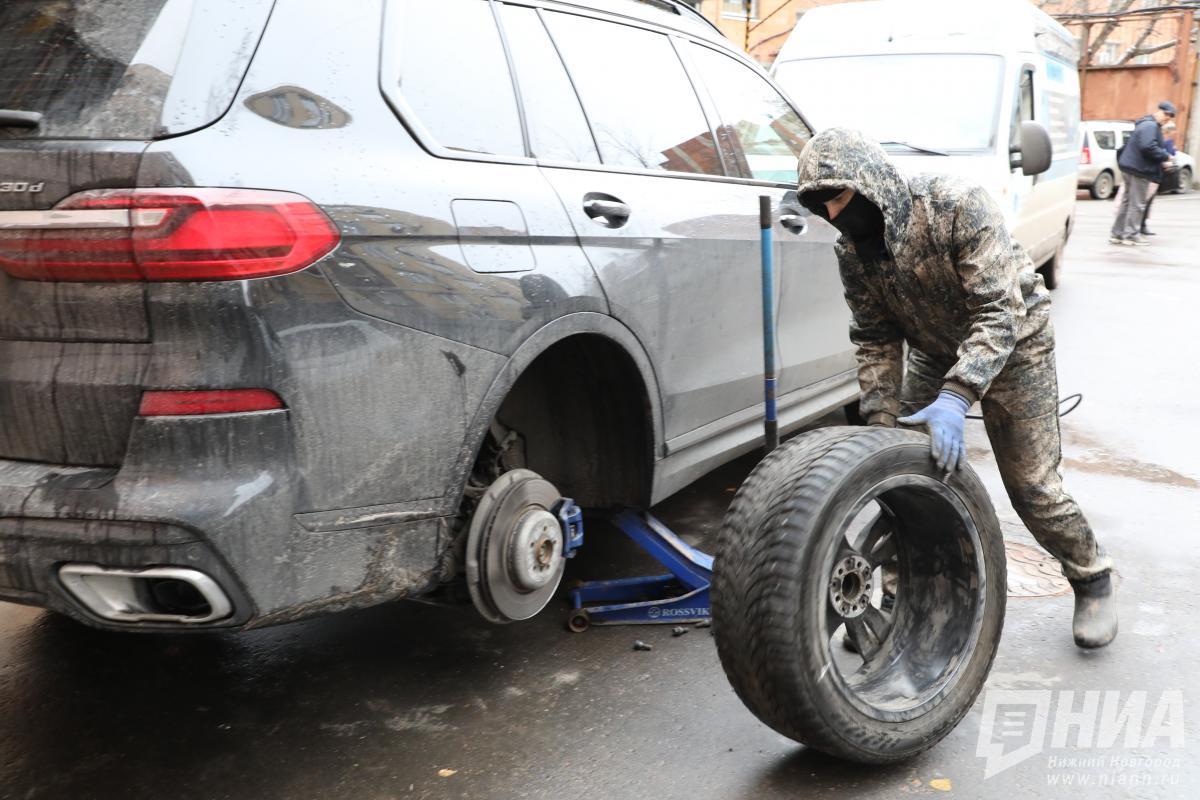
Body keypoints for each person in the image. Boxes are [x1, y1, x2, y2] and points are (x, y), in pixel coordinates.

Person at [796, 128, 1117, 649]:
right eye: (822, 206)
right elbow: (875, 337)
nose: (833, 215)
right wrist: (881, 430)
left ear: (870, 184)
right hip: (934, 349)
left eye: (838, 198)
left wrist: (957, 395)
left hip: (1016, 345)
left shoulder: (954, 206)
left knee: (1033, 487)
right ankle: (905, 594)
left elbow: (999, 311)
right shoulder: (853, 251)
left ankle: (1092, 577)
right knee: (910, 475)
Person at [1110, 101, 1175, 245]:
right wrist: (1165, 156)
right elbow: (1148, 147)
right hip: (1140, 169)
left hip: (1131, 167)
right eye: (1166, 114)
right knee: (1137, 204)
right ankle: (1131, 235)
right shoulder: (1150, 126)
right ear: (1159, 111)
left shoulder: (1146, 124)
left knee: (1127, 203)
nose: (1167, 118)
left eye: (1170, 117)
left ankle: (1117, 234)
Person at [1140, 120, 1179, 235]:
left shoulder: (1166, 141)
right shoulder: (1163, 142)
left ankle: (1142, 225)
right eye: (1173, 130)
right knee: (1145, 201)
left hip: (1157, 175)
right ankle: (1140, 226)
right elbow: (1164, 155)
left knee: (1148, 201)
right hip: (1153, 175)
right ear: (1168, 131)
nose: (1174, 132)